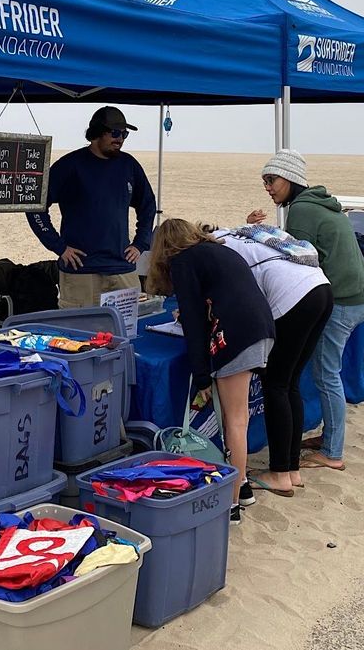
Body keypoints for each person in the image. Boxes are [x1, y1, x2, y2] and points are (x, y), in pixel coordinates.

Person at [247, 150, 364, 472]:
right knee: (322, 372)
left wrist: (254, 237)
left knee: (326, 374)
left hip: (343, 300)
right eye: (264, 181)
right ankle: (330, 435)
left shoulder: (301, 210)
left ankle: (333, 451)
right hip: (360, 295)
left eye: (272, 180)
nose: (268, 188)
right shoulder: (318, 202)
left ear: (289, 179)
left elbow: (297, 263)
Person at [145, 219, 275, 525]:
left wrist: (201, 376)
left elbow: (192, 321)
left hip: (237, 336)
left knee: (235, 422)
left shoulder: (183, 260)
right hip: (261, 328)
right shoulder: (216, 250)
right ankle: (242, 489)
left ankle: (229, 506)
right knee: (238, 418)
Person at [204, 224, 333, 496]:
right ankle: (292, 469)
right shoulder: (238, 235)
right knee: (290, 383)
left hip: (293, 297)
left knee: (276, 385)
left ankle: (279, 474)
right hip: (320, 287)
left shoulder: (216, 249)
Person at [28, 106, 156, 309]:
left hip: (122, 270)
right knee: (78, 337)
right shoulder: (69, 166)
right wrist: (58, 246)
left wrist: (141, 243)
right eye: (115, 133)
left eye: (124, 134)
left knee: (125, 336)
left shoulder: (129, 165)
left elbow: (148, 205)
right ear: (97, 133)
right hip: (81, 274)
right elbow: (35, 206)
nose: (120, 139)